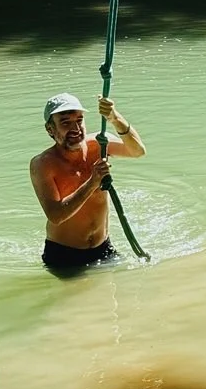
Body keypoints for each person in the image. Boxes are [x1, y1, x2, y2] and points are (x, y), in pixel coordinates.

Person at [31, 92, 145, 276]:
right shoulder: (42, 164)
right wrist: (92, 182)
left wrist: (115, 118)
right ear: (50, 130)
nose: (76, 128)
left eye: (79, 120)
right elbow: (56, 215)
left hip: (103, 248)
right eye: (66, 123)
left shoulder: (99, 144)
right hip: (64, 256)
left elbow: (138, 151)